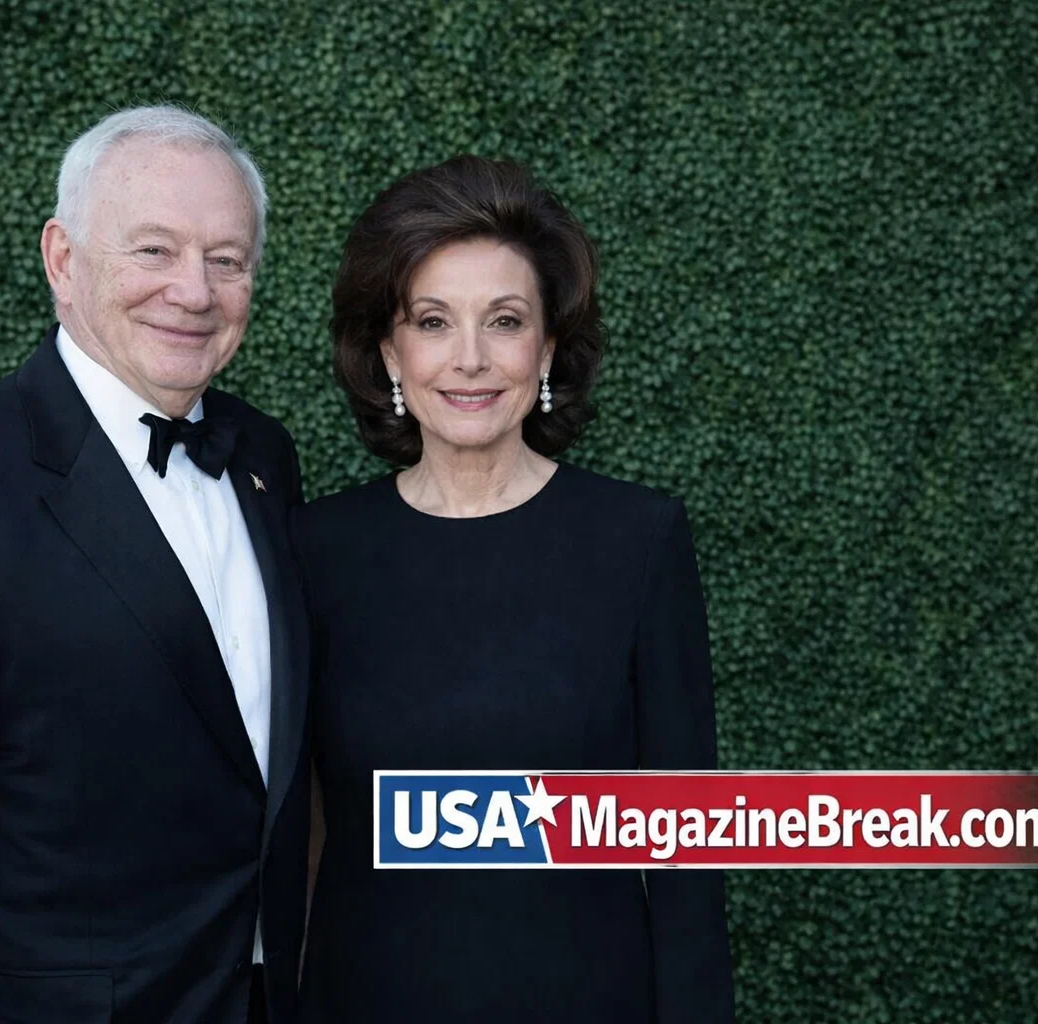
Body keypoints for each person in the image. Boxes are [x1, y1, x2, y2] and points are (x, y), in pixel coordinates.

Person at [0, 106, 309, 1024]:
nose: (194, 291)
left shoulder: (265, 458)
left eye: (227, 259)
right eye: (153, 250)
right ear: (63, 260)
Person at [293, 156, 735, 1022]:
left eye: (504, 321)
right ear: (388, 351)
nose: (470, 359)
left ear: (548, 349)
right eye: (432, 321)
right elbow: (291, 832)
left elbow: (687, 853)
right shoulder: (315, 549)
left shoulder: (638, 540)